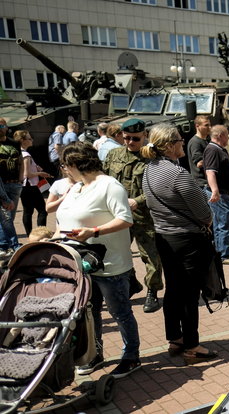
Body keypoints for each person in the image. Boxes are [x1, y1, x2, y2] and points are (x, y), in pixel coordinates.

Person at [57, 142, 141, 379]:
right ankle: (95, 354)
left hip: (110, 264)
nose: (64, 170)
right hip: (80, 263)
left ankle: (131, 357)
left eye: (65, 165)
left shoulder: (109, 186)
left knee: (120, 312)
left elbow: (125, 219)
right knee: (89, 313)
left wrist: (93, 231)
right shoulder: (77, 187)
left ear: (75, 164)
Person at [141, 123, 218, 365]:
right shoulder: (177, 174)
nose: (183, 143)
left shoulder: (149, 169)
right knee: (189, 294)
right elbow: (204, 213)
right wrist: (207, 217)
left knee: (174, 290)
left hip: (164, 237)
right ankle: (192, 346)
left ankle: (175, 338)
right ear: (169, 145)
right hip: (187, 240)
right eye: (179, 140)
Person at [104, 118, 164, 312]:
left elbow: (158, 188)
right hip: (118, 215)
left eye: (135, 139)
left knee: (151, 256)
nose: (130, 142)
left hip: (144, 217)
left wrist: (136, 201)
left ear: (144, 136)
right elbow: (103, 180)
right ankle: (131, 281)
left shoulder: (153, 158)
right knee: (117, 252)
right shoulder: (114, 155)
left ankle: (152, 292)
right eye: (126, 137)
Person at [204, 125, 229, 264]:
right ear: (220, 136)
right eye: (226, 135)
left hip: (223, 192)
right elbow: (210, 171)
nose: (228, 138)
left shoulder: (217, 150)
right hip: (220, 194)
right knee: (223, 223)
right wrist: (215, 191)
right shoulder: (212, 149)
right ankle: (223, 255)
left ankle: (221, 252)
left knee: (222, 223)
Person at [16, 130, 51, 237]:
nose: (32, 140)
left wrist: (36, 167)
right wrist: (41, 173)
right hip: (30, 185)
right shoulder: (26, 154)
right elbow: (28, 174)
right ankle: (41, 234)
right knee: (42, 210)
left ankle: (30, 235)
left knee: (28, 211)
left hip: (23, 186)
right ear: (23, 141)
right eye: (29, 138)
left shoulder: (19, 152)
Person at [0, 118, 22, 256]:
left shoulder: (14, 143)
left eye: (2, 125)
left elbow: (20, 162)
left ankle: (4, 246)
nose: (1, 127)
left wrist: (20, 179)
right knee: (6, 217)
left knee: (9, 218)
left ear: (7, 127)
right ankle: (7, 246)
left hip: (14, 184)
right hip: (1, 185)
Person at [187, 115, 212, 189]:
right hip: (202, 184)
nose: (209, 127)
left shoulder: (206, 140)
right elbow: (199, 163)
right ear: (197, 126)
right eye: (206, 125)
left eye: (210, 125)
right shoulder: (195, 142)